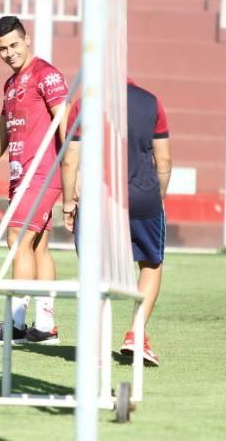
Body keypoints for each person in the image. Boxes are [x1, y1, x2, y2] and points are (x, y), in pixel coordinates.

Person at [0, 16, 70, 346]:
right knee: (36, 247)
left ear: (27, 40)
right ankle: (46, 326)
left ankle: (17, 324)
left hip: (42, 173)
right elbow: (2, 133)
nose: (9, 53)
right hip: (21, 175)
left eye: (14, 45)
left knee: (17, 240)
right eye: (2, 48)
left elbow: (66, 124)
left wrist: (72, 174)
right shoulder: (10, 85)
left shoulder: (46, 75)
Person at [61, 80, 172, 365]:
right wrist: (158, 197)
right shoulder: (151, 100)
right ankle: (136, 334)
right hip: (143, 197)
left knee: (94, 273)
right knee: (151, 264)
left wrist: (68, 204)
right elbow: (164, 159)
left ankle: (96, 347)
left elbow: (69, 161)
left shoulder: (85, 103)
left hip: (98, 201)